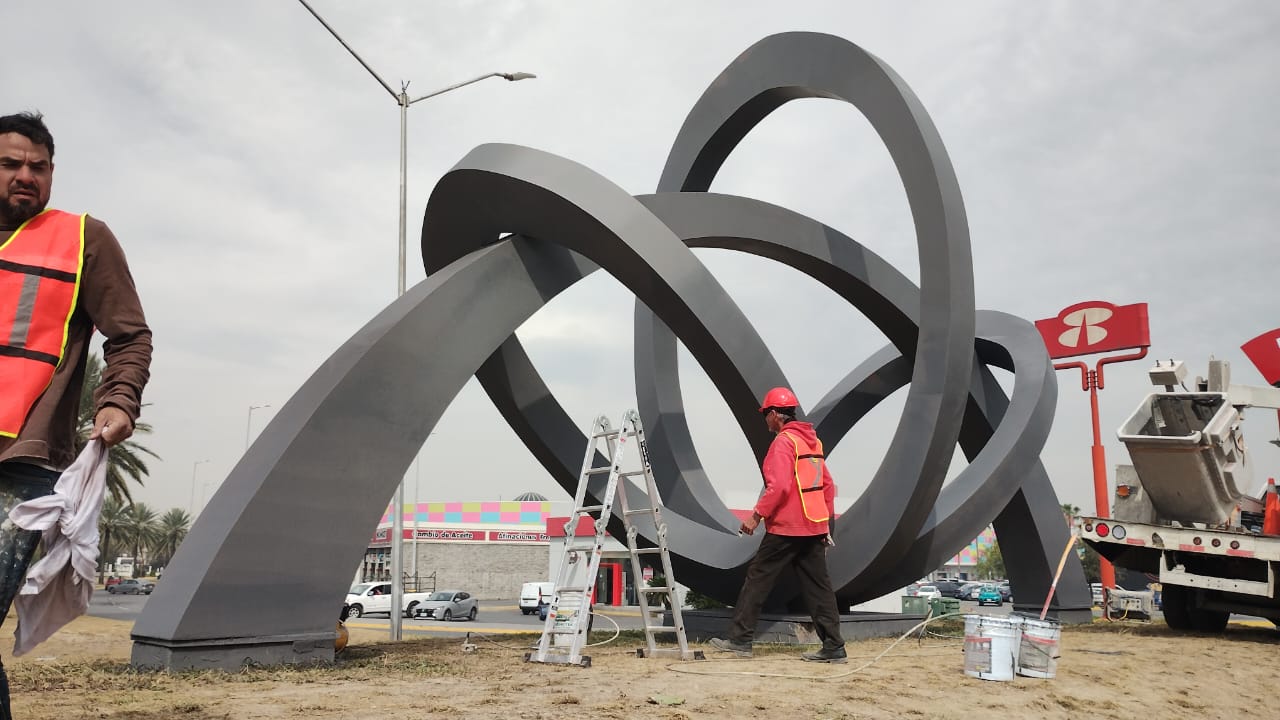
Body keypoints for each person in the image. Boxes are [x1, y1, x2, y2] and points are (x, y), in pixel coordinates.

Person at [0, 111, 152, 717]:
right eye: (10, 164)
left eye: (38, 167)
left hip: (23, 465)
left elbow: (131, 336)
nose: (25, 176)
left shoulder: (84, 238)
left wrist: (118, 401)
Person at [709, 387, 847, 663]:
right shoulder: (812, 443)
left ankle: (739, 640)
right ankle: (834, 647)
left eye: (766, 415)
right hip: (813, 527)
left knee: (757, 580)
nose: (765, 421)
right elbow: (828, 486)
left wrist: (755, 516)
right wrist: (825, 527)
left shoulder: (783, 443)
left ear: (774, 415)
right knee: (819, 588)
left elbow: (780, 486)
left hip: (787, 528)